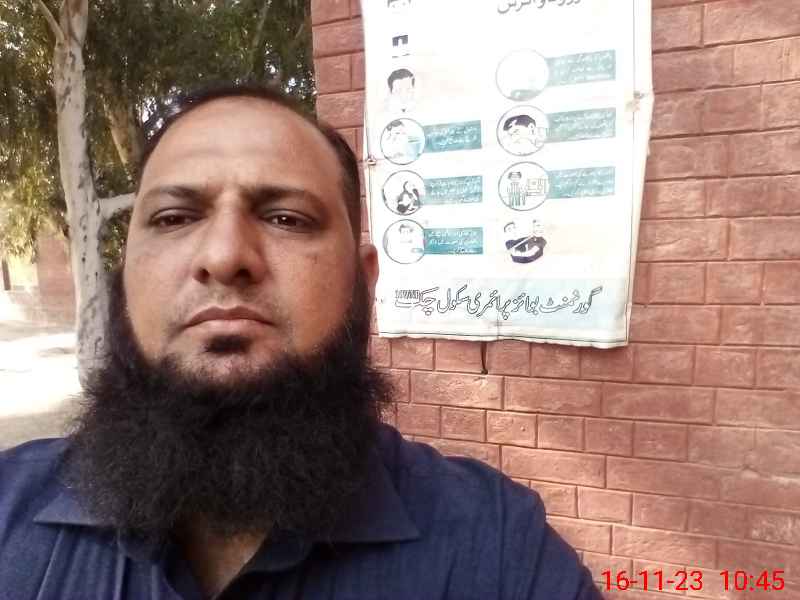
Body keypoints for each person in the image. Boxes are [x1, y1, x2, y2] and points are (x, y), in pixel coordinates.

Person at [0, 83, 601, 599]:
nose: (224, 255)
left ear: (363, 283)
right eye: (174, 218)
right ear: (125, 274)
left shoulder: (499, 551)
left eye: (286, 218)